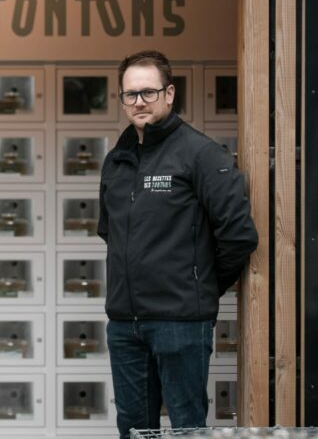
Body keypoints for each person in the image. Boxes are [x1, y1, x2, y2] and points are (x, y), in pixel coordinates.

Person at [97, 50, 257, 438]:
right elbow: (111, 233)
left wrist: (199, 287)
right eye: (130, 94)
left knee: (187, 426)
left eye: (148, 92)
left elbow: (238, 235)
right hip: (125, 324)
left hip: (180, 322)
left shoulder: (200, 154)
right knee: (132, 428)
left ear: (169, 94)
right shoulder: (117, 160)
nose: (138, 102)